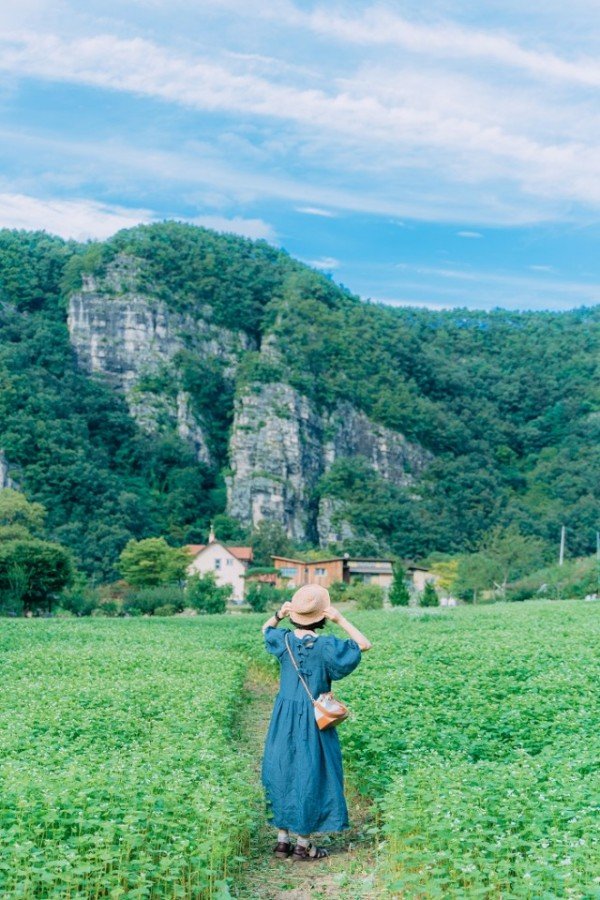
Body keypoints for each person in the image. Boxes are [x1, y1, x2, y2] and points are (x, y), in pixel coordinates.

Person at [261, 583, 372, 862]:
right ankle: (304, 844)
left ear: (293, 614)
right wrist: (340, 618)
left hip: (284, 715)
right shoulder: (325, 646)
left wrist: (278, 613)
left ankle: (282, 840)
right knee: (312, 770)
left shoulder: (283, 640)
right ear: (322, 615)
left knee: (283, 768)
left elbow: (265, 630)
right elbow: (364, 644)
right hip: (314, 718)